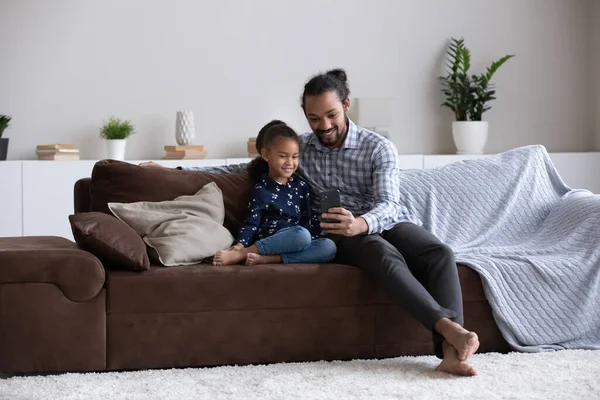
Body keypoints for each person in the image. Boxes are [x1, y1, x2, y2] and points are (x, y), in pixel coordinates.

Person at [140, 69, 480, 376]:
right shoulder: (299, 148)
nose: (324, 126)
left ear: (347, 105)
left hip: (379, 220)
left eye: (331, 115)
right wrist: (175, 172)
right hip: (335, 231)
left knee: (438, 252)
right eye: (314, 118)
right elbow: (243, 170)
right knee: (381, 254)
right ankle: (447, 330)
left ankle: (450, 352)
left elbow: (390, 204)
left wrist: (360, 223)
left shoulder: (379, 147)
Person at [212, 122, 336, 266]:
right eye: (283, 156)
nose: (290, 162)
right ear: (266, 155)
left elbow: (307, 219)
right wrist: (240, 245)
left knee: (329, 246)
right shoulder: (261, 189)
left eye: (295, 156)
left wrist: (315, 237)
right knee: (301, 235)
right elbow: (252, 222)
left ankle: (269, 260)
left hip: (296, 239)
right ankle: (242, 254)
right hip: (272, 239)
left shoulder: (302, 187)